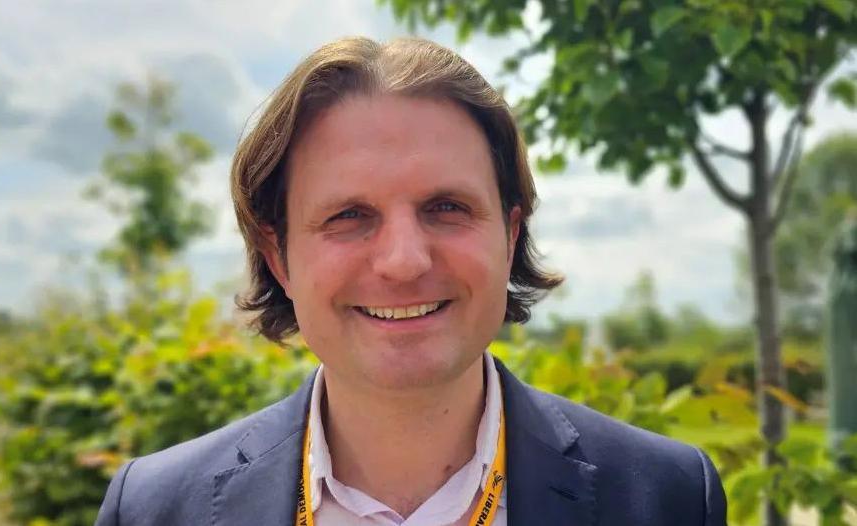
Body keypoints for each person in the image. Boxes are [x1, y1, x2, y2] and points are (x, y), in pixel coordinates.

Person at [95, 36, 727, 526]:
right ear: (279, 256)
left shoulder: (666, 497)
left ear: (509, 238)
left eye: (446, 208)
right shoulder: (153, 508)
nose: (404, 260)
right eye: (349, 216)